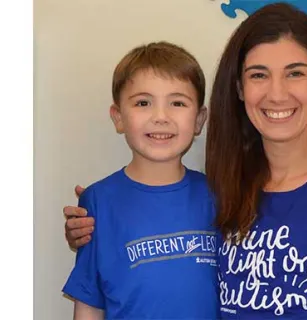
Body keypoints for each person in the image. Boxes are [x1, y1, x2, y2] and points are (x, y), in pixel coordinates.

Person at [64, 3, 307, 319]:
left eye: (295, 73)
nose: (277, 93)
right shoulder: (225, 186)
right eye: (259, 75)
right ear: (239, 88)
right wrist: (96, 222)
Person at [61, 41, 220, 320]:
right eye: (143, 103)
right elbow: (90, 302)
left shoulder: (219, 195)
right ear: (119, 117)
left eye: (178, 103)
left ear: (199, 120)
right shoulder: (97, 202)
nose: (161, 117)